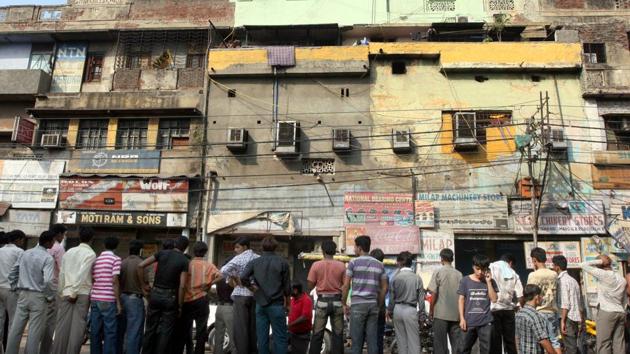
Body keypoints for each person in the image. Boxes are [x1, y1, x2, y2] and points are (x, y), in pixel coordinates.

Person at [5, 230, 55, 354]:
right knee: (34, 332)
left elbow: (12, 273)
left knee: (15, 330)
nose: (54, 243)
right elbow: (48, 281)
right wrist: (49, 296)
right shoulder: (48, 258)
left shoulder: (25, 253)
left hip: (22, 294)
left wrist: (14, 288)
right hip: (38, 296)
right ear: (48, 242)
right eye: (53, 241)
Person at [138, 236, 190, 354]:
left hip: (155, 294)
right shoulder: (184, 261)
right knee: (166, 332)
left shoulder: (161, 253)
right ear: (186, 248)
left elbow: (140, 265)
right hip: (170, 297)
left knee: (150, 328)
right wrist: (180, 305)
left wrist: (143, 285)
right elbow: (182, 286)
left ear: (175, 244)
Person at [241, 236, 290, 354]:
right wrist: (288, 304)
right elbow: (287, 287)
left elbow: (243, 277)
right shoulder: (283, 263)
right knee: (280, 338)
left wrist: (252, 288)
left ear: (262, 247)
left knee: (262, 339)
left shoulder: (254, 262)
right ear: (275, 247)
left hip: (260, 305)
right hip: (277, 305)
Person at [52, 226, 97, 354]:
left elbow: (62, 273)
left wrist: (61, 291)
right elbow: (82, 274)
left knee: (62, 326)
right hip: (81, 293)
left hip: (66, 291)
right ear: (92, 239)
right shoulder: (91, 254)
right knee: (77, 327)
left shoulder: (69, 252)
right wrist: (74, 292)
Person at [342, 235, 388, 354]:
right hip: (373, 305)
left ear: (360, 248)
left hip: (358, 306)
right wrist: (379, 303)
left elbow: (346, 285)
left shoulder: (353, 263)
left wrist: (343, 303)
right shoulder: (380, 264)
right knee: (373, 343)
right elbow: (384, 287)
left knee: (356, 344)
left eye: (355, 247)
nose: (354, 249)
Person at [175, 241, 220, 354]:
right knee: (201, 330)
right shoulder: (209, 265)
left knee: (183, 330)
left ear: (193, 251)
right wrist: (210, 283)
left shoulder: (187, 263)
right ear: (205, 253)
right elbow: (221, 276)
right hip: (202, 300)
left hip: (187, 300)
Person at [580, 254, 627, 354]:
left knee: (604, 343)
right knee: (619, 343)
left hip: (606, 311)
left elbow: (583, 264)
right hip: (620, 312)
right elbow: (624, 300)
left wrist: (600, 261)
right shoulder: (621, 279)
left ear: (600, 264)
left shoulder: (604, 275)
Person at [220, 237, 259, 354]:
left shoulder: (238, 259)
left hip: (240, 296)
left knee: (241, 329)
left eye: (237, 247)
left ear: (245, 247)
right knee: (253, 328)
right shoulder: (258, 258)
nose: (235, 250)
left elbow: (222, 271)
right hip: (255, 296)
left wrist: (234, 277)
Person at [307, 240, 345, 354]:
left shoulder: (316, 265)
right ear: (334, 251)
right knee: (338, 334)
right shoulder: (342, 265)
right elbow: (345, 285)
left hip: (322, 302)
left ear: (323, 251)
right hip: (337, 302)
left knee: (317, 334)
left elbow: (310, 284)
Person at [457, 254, 498, 354]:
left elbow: (494, 299)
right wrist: (462, 318)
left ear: (487, 269)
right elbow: (461, 300)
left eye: (483, 269)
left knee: (487, 350)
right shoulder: (465, 280)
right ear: (473, 267)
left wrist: (488, 282)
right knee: (462, 349)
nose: (480, 272)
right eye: (477, 268)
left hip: (485, 323)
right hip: (468, 322)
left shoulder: (491, 281)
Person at [386, 251, 424, 354]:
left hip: (397, 310)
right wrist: (422, 317)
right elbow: (421, 301)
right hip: (410, 310)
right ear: (411, 263)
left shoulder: (395, 278)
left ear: (399, 262)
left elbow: (392, 298)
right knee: (414, 342)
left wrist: (389, 311)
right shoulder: (417, 278)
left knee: (401, 342)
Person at [90, 236, 122, 354]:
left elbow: (93, 278)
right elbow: (114, 280)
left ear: (104, 245)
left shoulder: (97, 259)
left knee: (95, 331)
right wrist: (118, 302)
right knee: (110, 332)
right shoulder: (116, 259)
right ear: (116, 246)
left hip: (95, 298)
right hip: (108, 300)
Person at [428, 248, 462, 354]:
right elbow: (462, 296)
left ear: (442, 259)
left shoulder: (438, 272)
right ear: (452, 259)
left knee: (440, 346)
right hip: (456, 315)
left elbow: (434, 293)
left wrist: (431, 310)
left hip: (440, 314)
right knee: (456, 345)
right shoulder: (459, 274)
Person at [527, 247, 561, 353]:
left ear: (534, 260)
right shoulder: (554, 274)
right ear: (545, 259)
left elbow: (529, 294)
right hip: (552, 311)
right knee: (554, 340)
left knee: (539, 342)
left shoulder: (533, 275)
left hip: (538, 312)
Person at [489, 253, 523, 354]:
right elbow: (521, 296)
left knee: (496, 341)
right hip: (508, 310)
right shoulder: (513, 273)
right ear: (510, 263)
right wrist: (517, 306)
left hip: (494, 309)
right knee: (510, 341)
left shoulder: (491, 267)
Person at [40, 224, 66, 354]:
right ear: (59, 234)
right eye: (63, 234)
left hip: (39, 288)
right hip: (53, 288)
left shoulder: (40, 247)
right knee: (50, 323)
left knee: (40, 321)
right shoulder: (58, 248)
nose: (63, 237)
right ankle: (45, 351)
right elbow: (63, 270)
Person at [118, 239, 145, 354]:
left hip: (122, 298)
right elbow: (146, 283)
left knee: (121, 330)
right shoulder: (142, 263)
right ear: (141, 251)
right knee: (134, 331)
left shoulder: (122, 262)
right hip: (135, 299)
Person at [0, 230, 25, 352]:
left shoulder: (0, 250)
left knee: (0, 320)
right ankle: (10, 350)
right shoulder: (19, 252)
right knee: (13, 322)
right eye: (22, 240)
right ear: (18, 239)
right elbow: (20, 270)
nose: (22, 242)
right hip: (11, 289)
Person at [551, 255, 582, 354]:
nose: (552, 267)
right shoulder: (573, 280)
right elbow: (579, 301)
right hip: (575, 317)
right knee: (572, 345)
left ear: (557, 267)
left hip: (567, 317)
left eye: (553, 265)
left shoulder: (562, 281)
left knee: (570, 347)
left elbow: (565, 303)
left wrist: (563, 321)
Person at [515, 284, 556, 354]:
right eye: (541, 296)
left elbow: (516, 337)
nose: (542, 298)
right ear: (537, 297)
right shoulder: (535, 316)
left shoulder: (519, 314)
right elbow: (543, 340)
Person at [214, 257, 235, 354]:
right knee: (233, 335)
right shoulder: (230, 277)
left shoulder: (219, 276)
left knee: (218, 336)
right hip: (229, 308)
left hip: (219, 307)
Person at [369, 248, 386, 354]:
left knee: (370, 336)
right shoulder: (384, 273)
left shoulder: (370, 273)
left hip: (371, 307)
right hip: (380, 308)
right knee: (379, 336)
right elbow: (385, 291)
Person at [288, 282, 312, 354]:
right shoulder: (293, 299)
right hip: (292, 333)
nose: (288, 291)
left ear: (295, 290)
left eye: (290, 290)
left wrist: (290, 324)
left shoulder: (306, 300)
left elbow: (305, 317)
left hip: (302, 336)